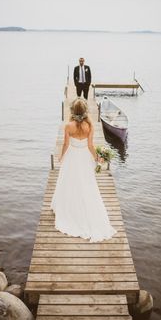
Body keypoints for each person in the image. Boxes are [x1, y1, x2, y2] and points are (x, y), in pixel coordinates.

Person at [50, 97, 117, 242]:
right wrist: (96, 159)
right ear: (85, 111)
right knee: (86, 183)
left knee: (69, 182)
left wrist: (61, 157)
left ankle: (70, 208)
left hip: (72, 157)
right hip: (85, 157)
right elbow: (90, 146)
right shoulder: (90, 125)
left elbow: (66, 144)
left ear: (72, 111)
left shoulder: (68, 126)